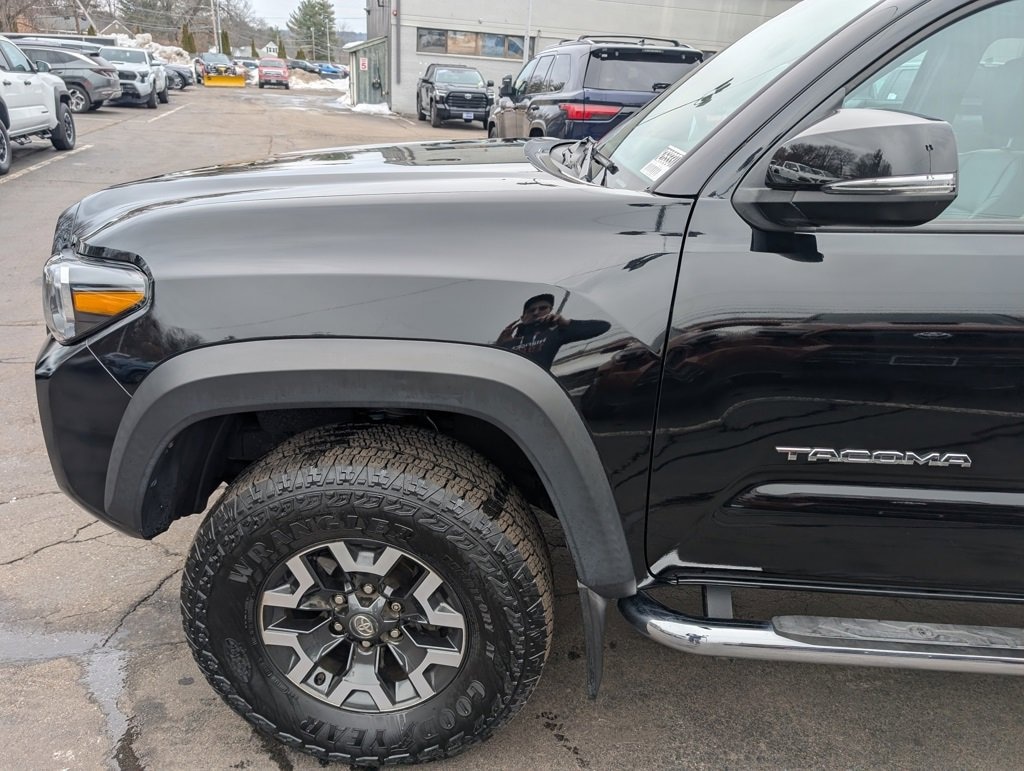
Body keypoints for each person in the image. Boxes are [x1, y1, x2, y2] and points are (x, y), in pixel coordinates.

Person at [496, 294, 610, 370]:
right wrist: (499, 345)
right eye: (531, 310)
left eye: (543, 308)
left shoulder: (557, 333)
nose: (536, 313)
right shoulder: (509, 341)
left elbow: (603, 327)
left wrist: (567, 323)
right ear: (522, 317)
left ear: (551, 312)